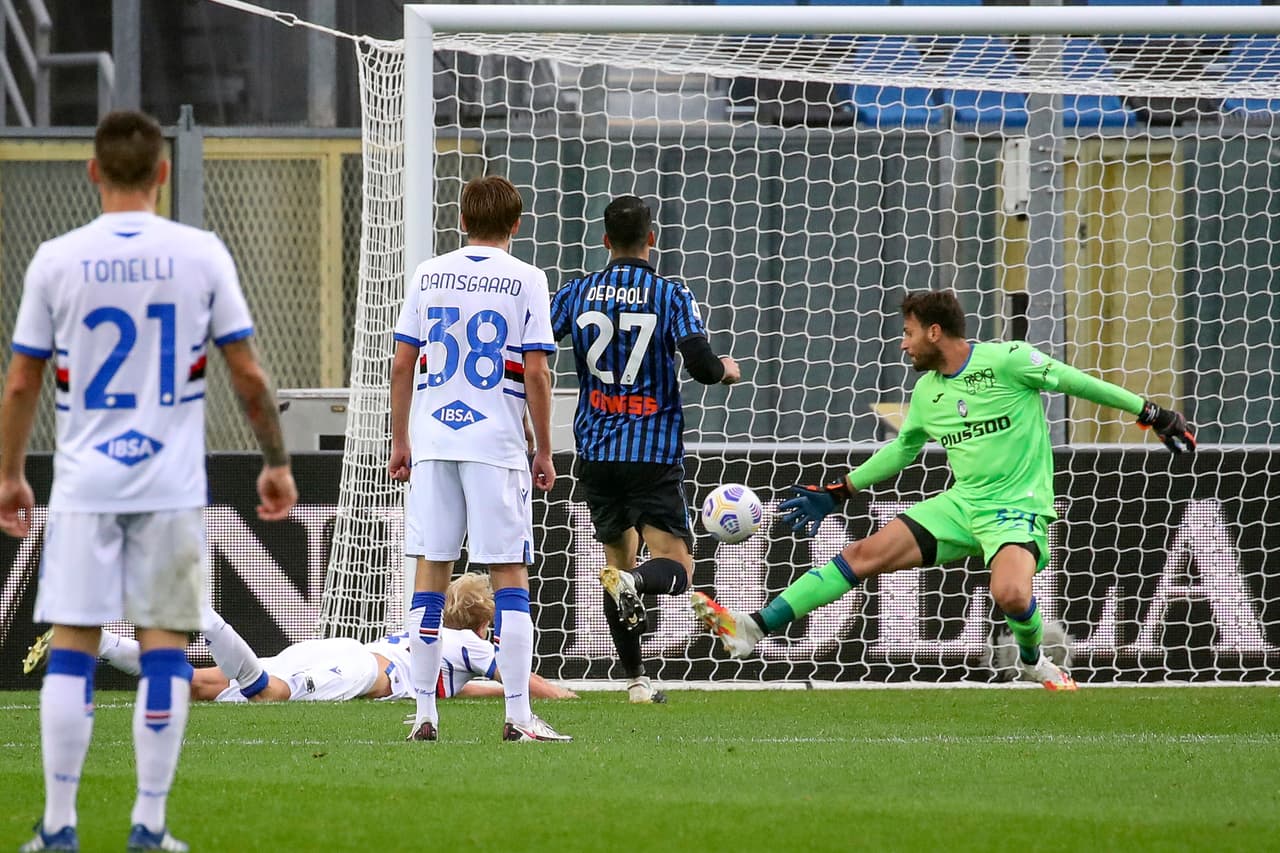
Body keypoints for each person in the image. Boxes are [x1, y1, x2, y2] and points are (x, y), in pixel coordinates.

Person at [0, 110, 297, 853]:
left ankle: (61, 827)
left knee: (74, 645)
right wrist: (276, 459)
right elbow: (249, 374)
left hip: (85, 484)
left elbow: (21, 384)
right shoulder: (199, 253)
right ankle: (149, 826)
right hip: (166, 485)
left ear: (93, 172)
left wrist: (9, 472)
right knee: (166, 647)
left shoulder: (55, 259)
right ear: (163, 173)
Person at [692, 289, 1196, 691]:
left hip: (1017, 508)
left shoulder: (1008, 361)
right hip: (961, 505)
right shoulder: (928, 391)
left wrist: (1152, 414)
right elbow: (902, 450)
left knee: (1012, 594)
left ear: (936, 331)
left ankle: (1031, 659)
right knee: (861, 554)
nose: (903, 343)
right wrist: (841, 490)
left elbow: (1076, 382)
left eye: (909, 333)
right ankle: (752, 629)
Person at [389, 175, 569, 743]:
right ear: (515, 225)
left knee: (429, 579)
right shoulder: (528, 279)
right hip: (495, 445)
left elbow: (400, 364)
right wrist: (542, 447)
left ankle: (423, 713)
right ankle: (517, 717)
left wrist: (400, 440)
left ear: (460, 220)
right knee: (510, 579)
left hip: (435, 443)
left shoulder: (428, 273)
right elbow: (537, 371)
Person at [550, 196, 740, 704]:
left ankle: (636, 680)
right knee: (676, 568)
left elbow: (535, 345)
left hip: (593, 450)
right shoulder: (670, 294)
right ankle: (638, 596)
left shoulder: (576, 293)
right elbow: (700, 365)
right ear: (651, 239)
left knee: (617, 567)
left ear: (606, 240)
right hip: (651, 452)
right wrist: (726, 369)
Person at [24, 574, 578, 703]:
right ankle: (199, 611)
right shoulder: (469, 644)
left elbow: (468, 692)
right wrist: (566, 695)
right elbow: (516, 678)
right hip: (359, 671)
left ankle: (96, 641)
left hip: (329, 648)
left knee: (191, 684)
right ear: (482, 623)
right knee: (265, 694)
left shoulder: (427, 642)